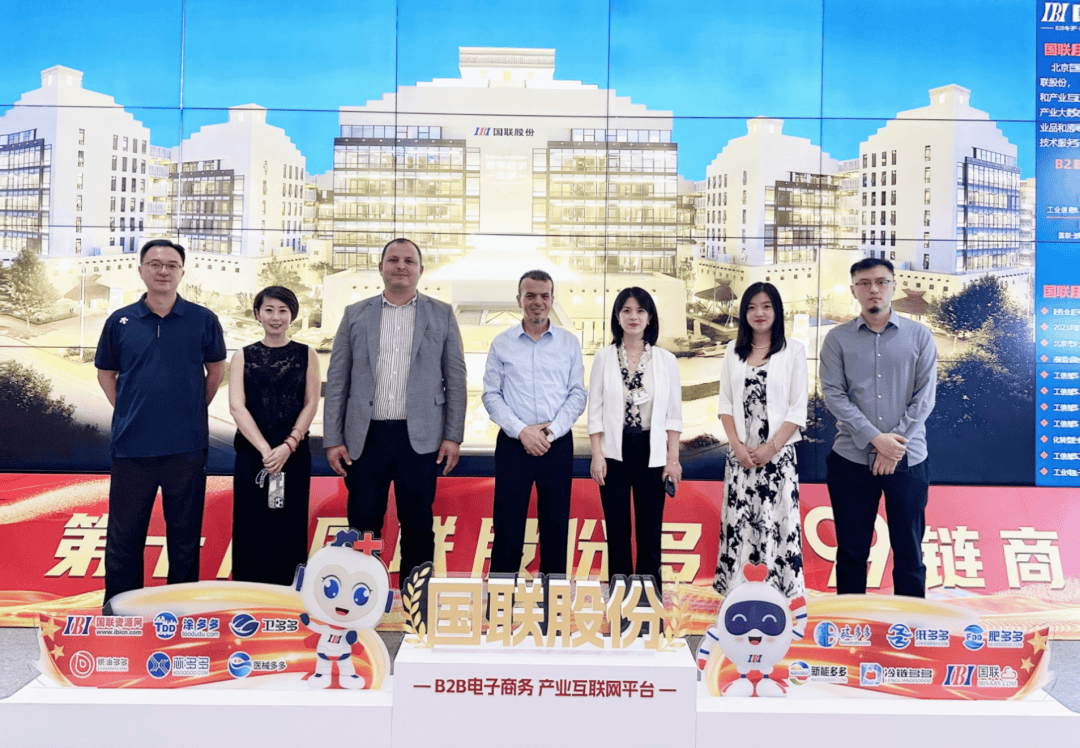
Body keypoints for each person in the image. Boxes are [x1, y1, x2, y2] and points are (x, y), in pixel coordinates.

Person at [323, 238, 467, 584]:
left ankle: (416, 603)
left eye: (408, 261)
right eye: (393, 260)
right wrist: (333, 439)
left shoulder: (442, 314)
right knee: (362, 526)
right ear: (381, 267)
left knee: (418, 525)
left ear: (420, 270)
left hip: (420, 439)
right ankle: (361, 599)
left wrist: (453, 436)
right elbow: (338, 379)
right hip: (365, 437)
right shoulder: (355, 314)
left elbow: (456, 379)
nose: (400, 266)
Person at [95, 239, 227, 606]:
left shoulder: (203, 319)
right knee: (124, 538)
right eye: (155, 264)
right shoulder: (120, 320)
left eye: (171, 265)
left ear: (181, 272)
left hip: (186, 448)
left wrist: (191, 408)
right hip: (131, 448)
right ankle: (121, 614)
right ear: (141, 271)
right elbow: (106, 374)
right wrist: (129, 410)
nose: (163, 271)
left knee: (184, 539)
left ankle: (180, 615)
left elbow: (216, 371)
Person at [820, 257, 936, 597]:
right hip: (851, 461)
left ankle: (910, 624)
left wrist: (893, 445)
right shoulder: (837, 339)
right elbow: (834, 395)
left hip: (908, 460)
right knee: (852, 552)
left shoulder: (920, 336)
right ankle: (851, 623)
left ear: (893, 286)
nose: (874, 289)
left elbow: (925, 397)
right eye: (865, 283)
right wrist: (875, 439)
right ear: (854, 290)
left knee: (909, 552)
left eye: (882, 282)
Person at [482, 270, 587, 577]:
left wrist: (550, 432)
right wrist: (522, 431)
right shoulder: (502, 343)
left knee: (555, 527)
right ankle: (501, 600)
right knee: (507, 526)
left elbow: (577, 394)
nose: (537, 302)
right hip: (514, 444)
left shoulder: (568, 343)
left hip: (557, 443)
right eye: (530, 296)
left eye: (544, 296)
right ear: (519, 300)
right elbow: (491, 395)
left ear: (552, 300)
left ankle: (552, 601)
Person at [714, 282, 807, 600]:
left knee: (777, 526)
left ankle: (779, 601)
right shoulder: (732, 351)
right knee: (740, 527)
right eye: (752, 307)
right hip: (740, 458)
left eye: (766, 306)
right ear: (744, 313)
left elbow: (797, 409)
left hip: (778, 460)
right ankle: (737, 600)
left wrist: (771, 448)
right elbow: (725, 403)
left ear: (777, 311)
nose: (759, 313)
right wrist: (736, 446)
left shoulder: (793, 351)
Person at [588, 287, 682, 596]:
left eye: (640, 311)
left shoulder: (666, 360)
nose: (633, 317)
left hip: (651, 451)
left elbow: (673, 415)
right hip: (614, 452)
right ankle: (620, 600)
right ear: (617, 317)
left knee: (649, 530)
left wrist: (672, 460)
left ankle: (648, 601)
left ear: (649, 317)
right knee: (617, 530)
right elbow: (595, 410)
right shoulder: (603, 357)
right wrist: (597, 455)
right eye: (626, 310)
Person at [228, 286, 319, 585]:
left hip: (293, 455)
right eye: (269, 310)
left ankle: (288, 600)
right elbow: (237, 406)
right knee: (251, 528)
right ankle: (249, 600)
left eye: (283, 310)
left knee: (290, 528)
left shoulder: (307, 354)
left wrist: (288, 445)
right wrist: (267, 451)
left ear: (293, 315)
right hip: (253, 456)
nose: (276, 317)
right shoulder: (242, 355)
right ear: (258, 314)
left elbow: (311, 403)